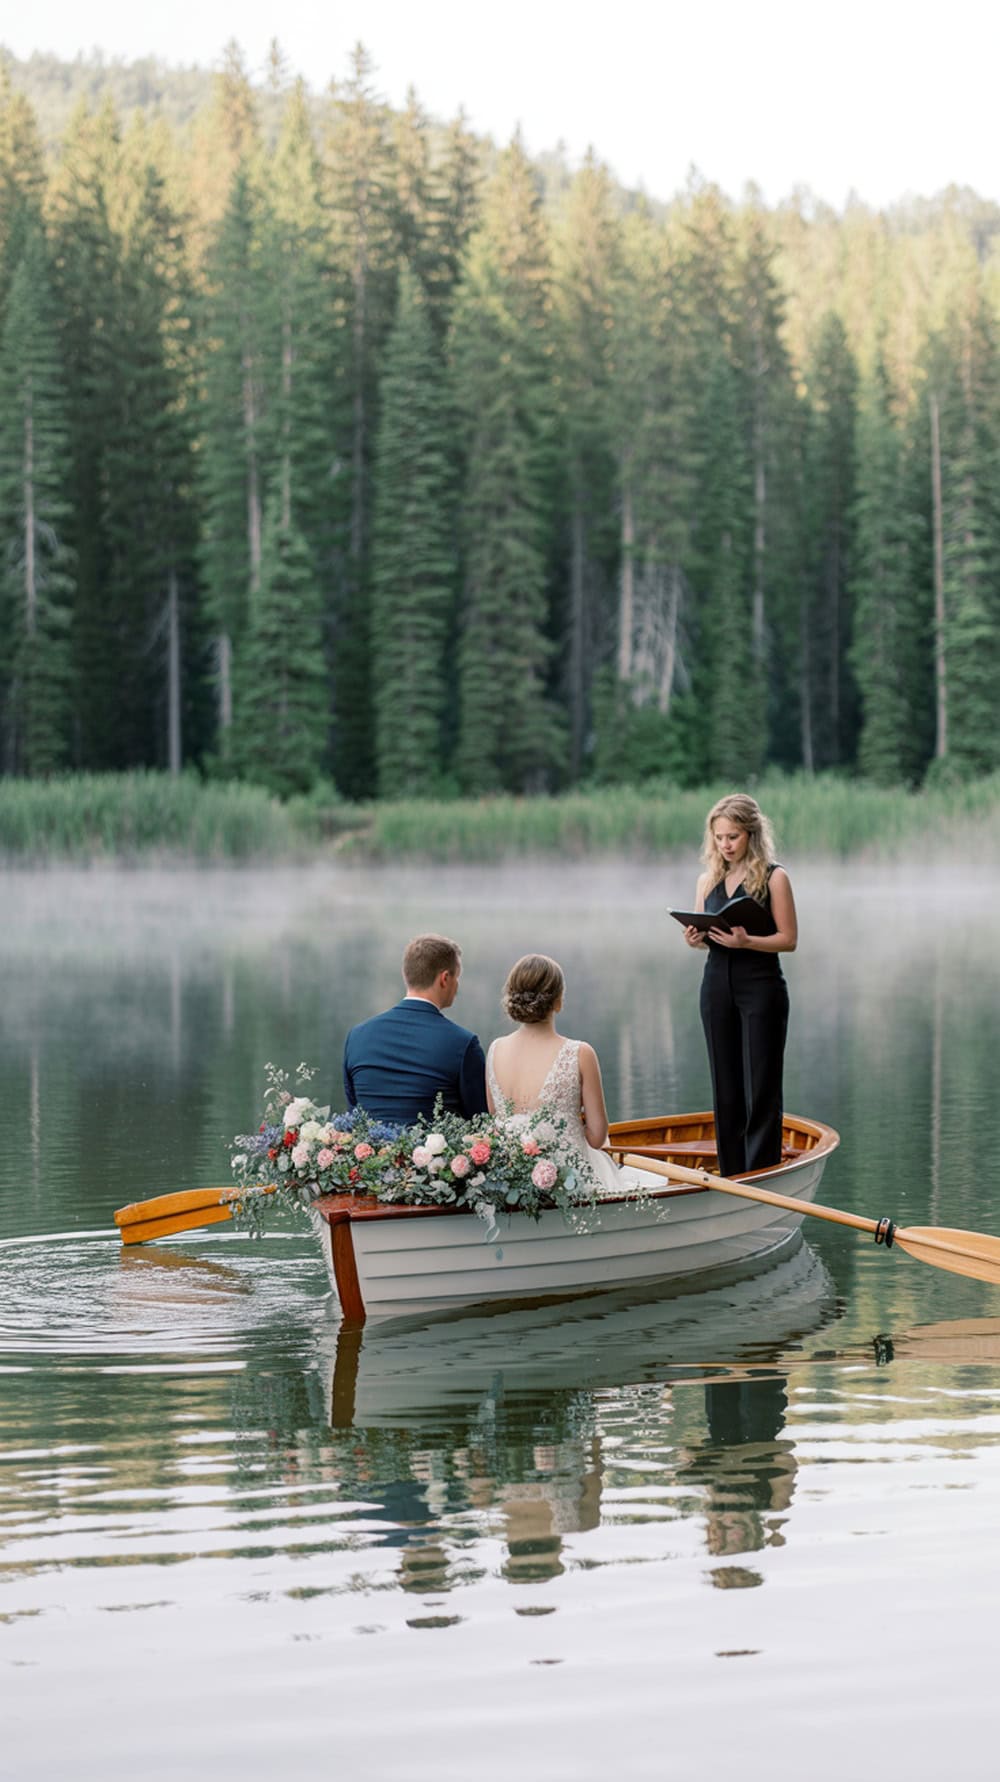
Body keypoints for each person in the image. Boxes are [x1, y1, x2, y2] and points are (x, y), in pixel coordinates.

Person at [681, 793, 797, 1180]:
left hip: (761, 985)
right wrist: (695, 938)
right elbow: (702, 933)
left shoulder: (774, 877)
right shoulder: (707, 879)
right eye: (718, 837)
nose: (725, 845)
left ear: (751, 834)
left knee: (760, 1086)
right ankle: (731, 1176)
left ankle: (761, 1174)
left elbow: (789, 939)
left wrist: (748, 943)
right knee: (725, 1085)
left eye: (732, 837)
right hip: (715, 984)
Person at [486, 953, 623, 1196]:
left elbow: (496, 1116)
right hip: (570, 1179)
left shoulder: (495, 1050)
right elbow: (597, 1137)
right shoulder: (580, 1053)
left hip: (510, 1180)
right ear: (558, 1002)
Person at [342, 933, 488, 1126]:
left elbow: (353, 1114)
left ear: (406, 974)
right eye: (457, 977)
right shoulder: (463, 1044)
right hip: (438, 1155)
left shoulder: (357, 1036)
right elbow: (479, 1122)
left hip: (368, 1152)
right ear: (444, 978)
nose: (457, 985)